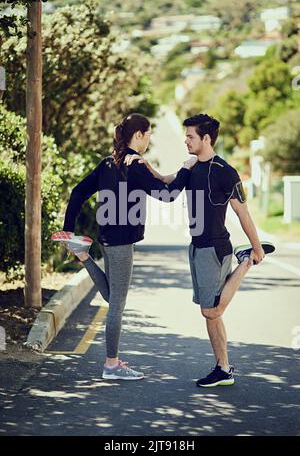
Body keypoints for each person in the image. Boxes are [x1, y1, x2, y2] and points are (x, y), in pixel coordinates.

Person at [125, 113, 274, 387]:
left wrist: (256, 248)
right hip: (196, 247)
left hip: (215, 248)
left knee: (211, 311)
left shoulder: (224, 171)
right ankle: (223, 368)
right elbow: (169, 181)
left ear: (206, 138)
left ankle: (245, 262)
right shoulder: (192, 167)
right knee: (210, 313)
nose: (186, 140)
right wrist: (145, 165)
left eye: (191, 136)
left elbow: (243, 212)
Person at [54, 113, 197, 381]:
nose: (150, 138)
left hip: (108, 237)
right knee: (117, 304)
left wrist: (69, 228)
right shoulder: (134, 166)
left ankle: (83, 255)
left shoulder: (110, 163)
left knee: (112, 296)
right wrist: (188, 168)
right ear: (139, 135)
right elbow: (168, 194)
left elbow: (77, 192)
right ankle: (111, 364)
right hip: (121, 242)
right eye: (149, 134)